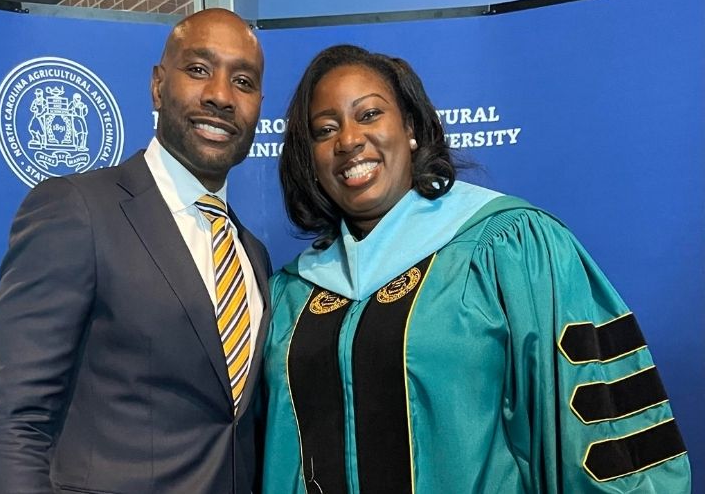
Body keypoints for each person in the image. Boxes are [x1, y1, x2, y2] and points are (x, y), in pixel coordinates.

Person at [263, 44, 691, 493]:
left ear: (411, 128)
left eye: (369, 114)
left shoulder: (510, 247)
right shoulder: (294, 293)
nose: (349, 140)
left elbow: (602, 428)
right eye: (325, 129)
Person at [0, 9, 270, 493]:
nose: (221, 95)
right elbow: (16, 424)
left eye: (243, 81)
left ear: (259, 104)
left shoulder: (252, 255)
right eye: (199, 69)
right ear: (158, 85)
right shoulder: (77, 210)